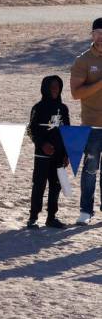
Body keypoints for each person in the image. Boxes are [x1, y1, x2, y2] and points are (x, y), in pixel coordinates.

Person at [69, 17, 102, 226]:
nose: (101, 37)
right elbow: (75, 93)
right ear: (92, 35)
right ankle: (85, 210)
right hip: (92, 126)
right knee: (90, 170)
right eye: (97, 32)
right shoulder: (83, 60)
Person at [27, 75, 70, 229]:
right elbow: (31, 130)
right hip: (42, 154)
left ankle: (51, 217)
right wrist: (43, 144)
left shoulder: (63, 108)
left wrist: (66, 153)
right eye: (52, 87)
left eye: (57, 87)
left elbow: (67, 132)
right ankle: (33, 217)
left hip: (59, 155)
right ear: (45, 88)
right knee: (39, 185)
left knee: (56, 185)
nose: (55, 90)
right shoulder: (38, 107)